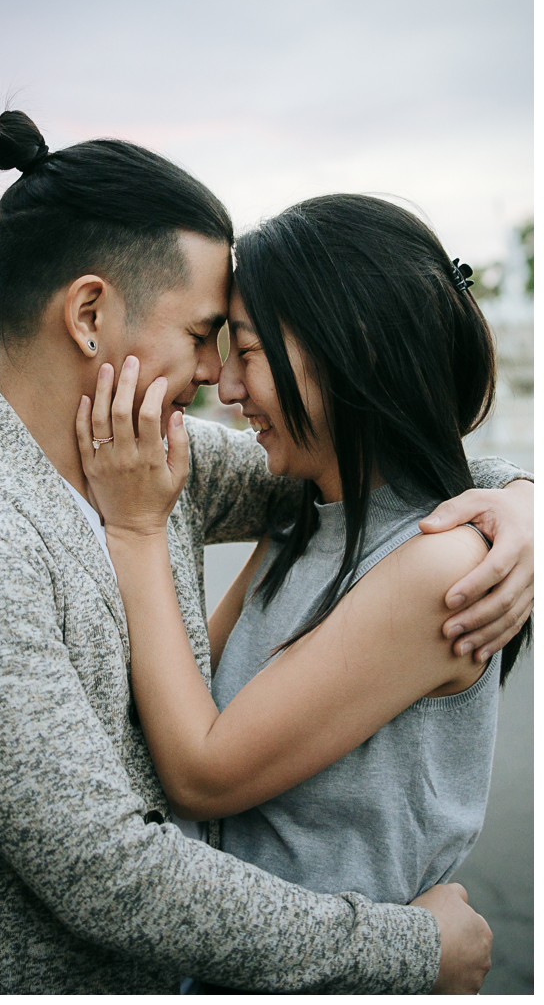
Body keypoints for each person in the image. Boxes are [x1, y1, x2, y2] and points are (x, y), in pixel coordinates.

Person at [0, 112, 530, 995]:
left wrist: (518, 500)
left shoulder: (161, 460)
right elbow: (110, 875)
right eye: (205, 334)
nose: (218, 376)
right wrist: (411, 952)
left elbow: (357, 454)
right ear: (90, 315)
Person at [75, 194, 534, 993]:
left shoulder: (436, 566)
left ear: (350, 347)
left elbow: (203, 771)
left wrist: (138, 530)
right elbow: (171, 702)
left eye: (247, 353)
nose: (227, 389)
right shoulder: (312, 515)